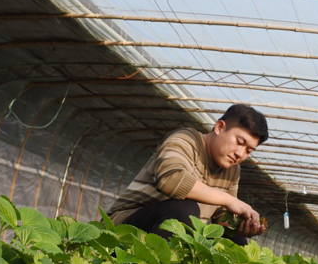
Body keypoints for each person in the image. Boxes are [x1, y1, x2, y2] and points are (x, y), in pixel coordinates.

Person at [107, 104, 269, 244]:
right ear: (220, 127)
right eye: (239, 142)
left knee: (234, 240)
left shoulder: (233, 170)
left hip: (179, 233)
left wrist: (242, 227)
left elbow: (221, 217)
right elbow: (170, 179)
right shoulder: (186, 139)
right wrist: (229, 199)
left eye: (249, 150)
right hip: (124, 227)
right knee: (184, 209)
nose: (240, 153)